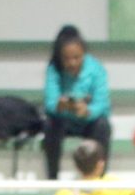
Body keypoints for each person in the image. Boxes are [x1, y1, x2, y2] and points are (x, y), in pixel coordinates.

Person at [42, 25, 113, 180]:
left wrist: (87, 111)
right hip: (64, 120)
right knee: (49, 125)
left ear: (84, 54)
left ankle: (100, 177)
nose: (72, 63)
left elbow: (102, 104)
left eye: (77, 58)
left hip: (89, 121)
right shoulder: (53, 70)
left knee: (103, 126)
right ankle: (52, 178)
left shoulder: (96, 69)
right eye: (67, 59)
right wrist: (59, 106)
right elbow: (50, 102)